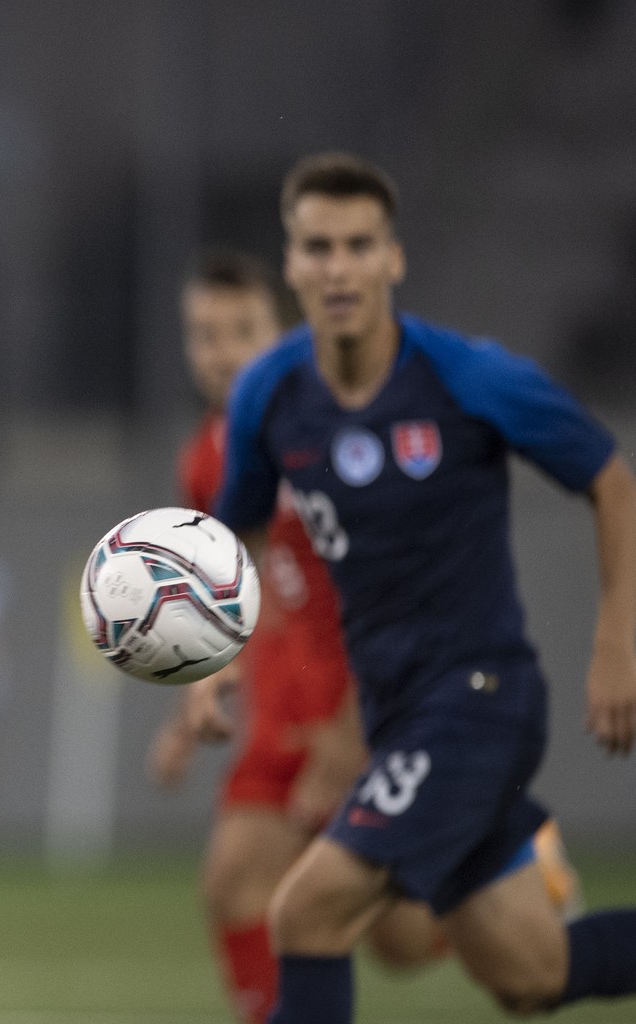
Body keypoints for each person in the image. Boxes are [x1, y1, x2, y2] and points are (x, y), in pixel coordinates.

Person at [213, 151, 636, 1023]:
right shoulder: (270, 393)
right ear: (290, 264)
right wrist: (209, 664)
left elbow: (610, 478)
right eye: (319, 248)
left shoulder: (468, 377)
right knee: (530, 973)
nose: (339, 269)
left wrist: (617, 641)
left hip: (482, 700)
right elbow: (239, 541)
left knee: (307, 910)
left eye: (359, 246)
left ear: (393, 259)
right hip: (398, 712)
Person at [152, 249, 584, 1023]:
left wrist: (352, 729)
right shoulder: (204, 461)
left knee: (401, 938)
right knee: (237, 885)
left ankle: (526, 866)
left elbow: (391, 592)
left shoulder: (332, 436)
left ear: (276, 334)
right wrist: (196, 692)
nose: (219, 352)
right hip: (281, 711)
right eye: (202, 334)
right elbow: (232, 593)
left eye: (238, 331)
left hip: (365, 706)